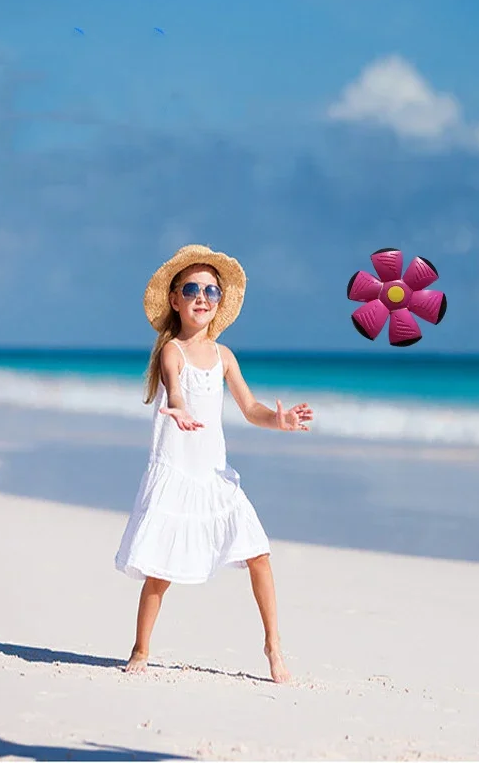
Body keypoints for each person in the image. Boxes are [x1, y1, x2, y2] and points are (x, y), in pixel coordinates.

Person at [114, 244, 314, 684]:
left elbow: (249, 407)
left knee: (260, 555)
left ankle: (274, 647)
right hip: (178, 473)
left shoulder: (225, 357)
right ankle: (140, 648)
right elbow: (176, 390)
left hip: (215, 476)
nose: (202, 296)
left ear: (220, 301)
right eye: (191, 288)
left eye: (211, 290)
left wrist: (278, 421)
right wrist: (180, 408)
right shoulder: (173, 352)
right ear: (175, 300)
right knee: (160, 574)